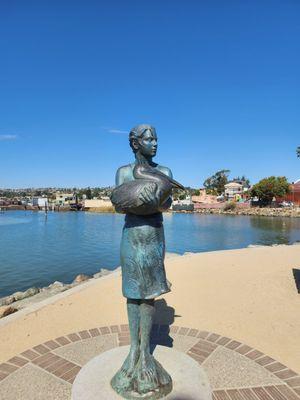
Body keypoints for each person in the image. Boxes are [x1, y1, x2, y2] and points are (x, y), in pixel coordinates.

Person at [111, 124, 173, 396]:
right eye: (149, 139)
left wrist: (152, 201)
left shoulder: (166, 172)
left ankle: (145, 354)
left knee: (148, 295)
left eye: (156, 138)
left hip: (153, 235)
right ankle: (133, 350)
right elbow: (119, 203)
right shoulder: (123, 172)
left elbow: (166, 204)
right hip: (131, 236)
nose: (155, 143)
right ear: (136, 144)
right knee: (132, 292)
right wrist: (141, 199)